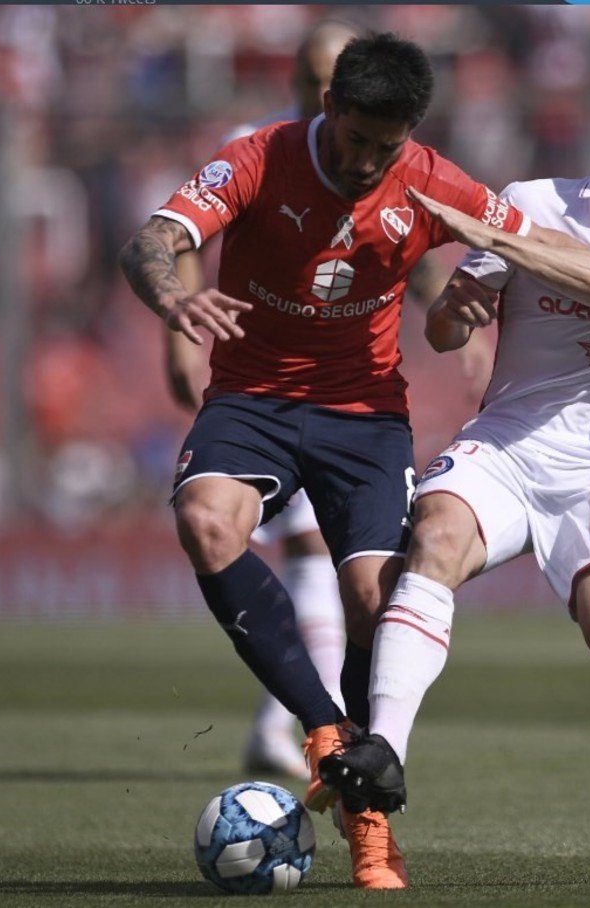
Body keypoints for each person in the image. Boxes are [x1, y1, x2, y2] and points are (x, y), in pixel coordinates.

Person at [118, 32, 536, 890]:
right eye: (355, 140)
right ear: (328, 107)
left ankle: (369, 825)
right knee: (206, 520)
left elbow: (536, 244)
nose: (367, 162)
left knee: (376, 601)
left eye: (387, 147)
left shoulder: (430, 177)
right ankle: (325, 730)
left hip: (365, 416)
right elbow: (150, 242)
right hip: (252, 400)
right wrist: (175, 300)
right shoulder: (258, 158)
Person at [318, 63, 590, 884]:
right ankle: (384, 751)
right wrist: (457, 311)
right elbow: (445, 331)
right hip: (508, 443)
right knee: (435, 537)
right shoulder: (533, 200)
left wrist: (498, 237)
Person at [165, 19, 360, 784]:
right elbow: (183, 237)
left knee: (316, 550)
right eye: (313, 77)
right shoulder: (254, 146)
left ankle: (290, 725)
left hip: (337, 380)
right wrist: (179, 339)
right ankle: (302, 725)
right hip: (262, 383)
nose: (323, 92)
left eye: (336, 79)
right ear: (296, 79)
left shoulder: (376, 150)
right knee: (298, 548)